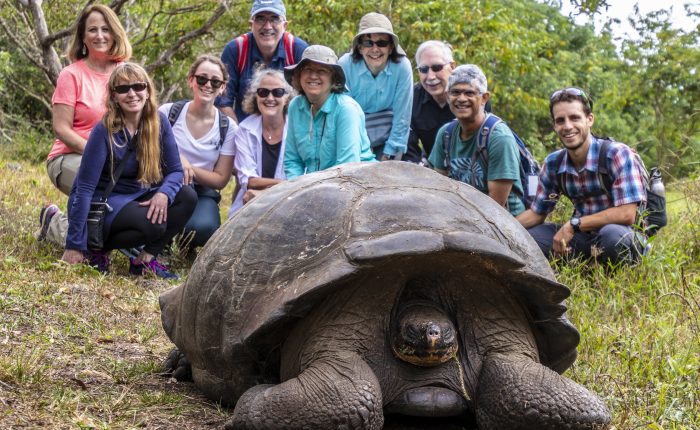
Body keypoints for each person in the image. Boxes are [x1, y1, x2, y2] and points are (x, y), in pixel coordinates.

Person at [61, 63, 196, 278]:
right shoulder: (104, 130)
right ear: (114, 96)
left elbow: (176, 171)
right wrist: (74, 244)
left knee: (187, 196)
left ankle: (145, 259)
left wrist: (163, 194)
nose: (132, 94)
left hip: (135, 195)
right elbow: (84, 188)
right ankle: (95, 249)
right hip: (104, 202)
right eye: (123, 89)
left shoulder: (158, 122)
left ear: (148, 90)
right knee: (153, 224)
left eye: (138, 86)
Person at [516, 88, 647, 264]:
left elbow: (626, 214)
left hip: (624, 234)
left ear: (589, 119)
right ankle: (583, 264)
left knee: (612, 237)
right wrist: (500, 228)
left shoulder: (616, 154)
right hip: (582, 238)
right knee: (528, 239)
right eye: (560, 120)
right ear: (555, 126)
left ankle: (613, 275)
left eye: (575, 118)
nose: (567, 126)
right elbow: (536, 213)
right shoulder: (553, 163)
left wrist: (573, 224)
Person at [37, 5, 131, 246]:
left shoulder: (125, 72)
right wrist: (99, 155)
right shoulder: (71, 75)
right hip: (70, 157)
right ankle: (55, 224)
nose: (100, 35)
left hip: (117, 161)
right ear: (82, 37)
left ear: (115, 33)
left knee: (123, 203)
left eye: (105, 29)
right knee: (102, 194)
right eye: (92, 30)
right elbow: (61, 128)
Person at [159, 55, 237, 249]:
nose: (207, 85)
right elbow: (147, 152)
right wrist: (177, 161)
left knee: (203, 229)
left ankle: (181, 238)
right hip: (162, 184)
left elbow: (220, 179)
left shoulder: (228, 127)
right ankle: (160, 241)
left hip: (202, 191)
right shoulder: (168, 113)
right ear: (191, 80)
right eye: (202, 78)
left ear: (223, 87)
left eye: (215, 81)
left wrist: (188, 168)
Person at [428, 65, 525, 216]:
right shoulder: (446, 134)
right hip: (461, 213)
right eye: (455, 92)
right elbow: (439, 189)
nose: (461, 99)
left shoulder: (498, 138)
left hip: (503, 222)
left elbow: (495, 206)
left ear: (484, 98)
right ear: (447, 96)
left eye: (469, 93)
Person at [283, 45, 375, 179]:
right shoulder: (295, 106)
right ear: (299, 75)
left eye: (322, 70)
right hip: (313, 185)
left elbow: (347, 167)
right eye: (307, 69)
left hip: (358, 183)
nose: (313, 76)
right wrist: (297, 190)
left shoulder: (346, 109)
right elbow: (292, 161)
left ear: (334, 79)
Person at [217, 0, 307, 123]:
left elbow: (309, 100)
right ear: (251, 24)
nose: (267, 26)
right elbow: (223, 103)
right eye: (260, 19)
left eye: (274, 19)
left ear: (284, 26)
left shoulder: (297, 50)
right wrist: (240, 135)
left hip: (289, 134)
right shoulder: (236, 50)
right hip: (243, 134)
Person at [338, 12, 412, 161]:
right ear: (359, 47)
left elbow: (402, 116)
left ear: (391, 47)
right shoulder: (345, 64)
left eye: (382, 43)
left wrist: (389, 154)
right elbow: (344, 113)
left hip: (389, 135)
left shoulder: (402, 66)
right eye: (368, 43)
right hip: (354, 134)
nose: (375, 49)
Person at [404, 41, 493, 164]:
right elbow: (408, 149)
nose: (430, 76)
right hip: (433, 171)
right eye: (423, 69)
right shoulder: (412, 98)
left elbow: (485, 143)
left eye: (437, 68)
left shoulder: (475, 97)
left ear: (452, 66)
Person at [229, 68, 294, 216]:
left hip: (288, 203)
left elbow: (301, 177)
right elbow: (249, 180)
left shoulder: (298, 129)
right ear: (255, 96)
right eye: (263, 92)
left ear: (287, 98)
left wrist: (263, 193)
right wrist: (284, 184)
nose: (270, 98)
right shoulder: (244, 130)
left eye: (277, 92)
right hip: (249, 204)